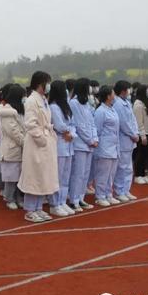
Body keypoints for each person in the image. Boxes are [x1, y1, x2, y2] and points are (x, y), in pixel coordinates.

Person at [18, 71, 59, 223]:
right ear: (39, 83)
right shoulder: (31, 100)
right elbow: (30, 123)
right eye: (46, 82)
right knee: (34, 176)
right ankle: (30, 209)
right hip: (36, 143)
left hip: (46, 142)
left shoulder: (43, 100)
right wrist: (41, 138)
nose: (48, 85)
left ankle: (39, 207)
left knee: (43, 176)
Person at [68, 78, 98, 212]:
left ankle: (80, 198)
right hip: (80, 144)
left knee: (85, 173)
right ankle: (73, 200)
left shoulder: (86, 104)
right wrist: (90, 140)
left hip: (90, 144)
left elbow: (92, 122)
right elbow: (79, 125)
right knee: (78, 173)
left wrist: (95, 138)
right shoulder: (73, 103)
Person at [48, 81, 77, 216]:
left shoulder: (66, 107)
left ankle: (62, 201)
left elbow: (73, 124)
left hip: (69, 143)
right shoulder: (53, 107)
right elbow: (59, 125)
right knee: (57, 177)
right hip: (59, 144)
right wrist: (68, 131)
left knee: (66, 176)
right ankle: (54, 204)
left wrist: (71, 133)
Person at [0, 84, 26, 210]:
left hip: (20, 148)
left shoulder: (19, 110)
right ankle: (9, 198)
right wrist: (25, 142)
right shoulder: (7, 112)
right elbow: (13, 131)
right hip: (11, 148)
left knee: (19, 176)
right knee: (11, 177)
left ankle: (18, 197)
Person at [93, 86, 121, 205]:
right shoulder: (100, 111)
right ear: (108, 96)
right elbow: (97, 129)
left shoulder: (112, 109)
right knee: (103, 173)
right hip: (104, 146)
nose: (114, 95)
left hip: (114, 146)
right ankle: (100, 196)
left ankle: (108, 194)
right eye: (113, 93)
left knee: (111, 173)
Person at [113, 80, 139, 202]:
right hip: (124, 139)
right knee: (122, 167)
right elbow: (123, 123)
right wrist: (132, 134)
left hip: (131, 139)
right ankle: (119, 191)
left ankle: (126, 190)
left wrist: (136, 132)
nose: (129, 92)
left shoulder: (127, 102)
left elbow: (133, 119)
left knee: (129, 167)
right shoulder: (117, 104)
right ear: (123, 90)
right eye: (127, 89)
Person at [133, 84, 148, 184]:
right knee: (140, 155)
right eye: (147, 91)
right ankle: (138, 175)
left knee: (146, 155)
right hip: (143, 133)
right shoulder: (137, 104)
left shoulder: (145, 103)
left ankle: (143, 174)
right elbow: (138, 121)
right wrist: (142, 135)